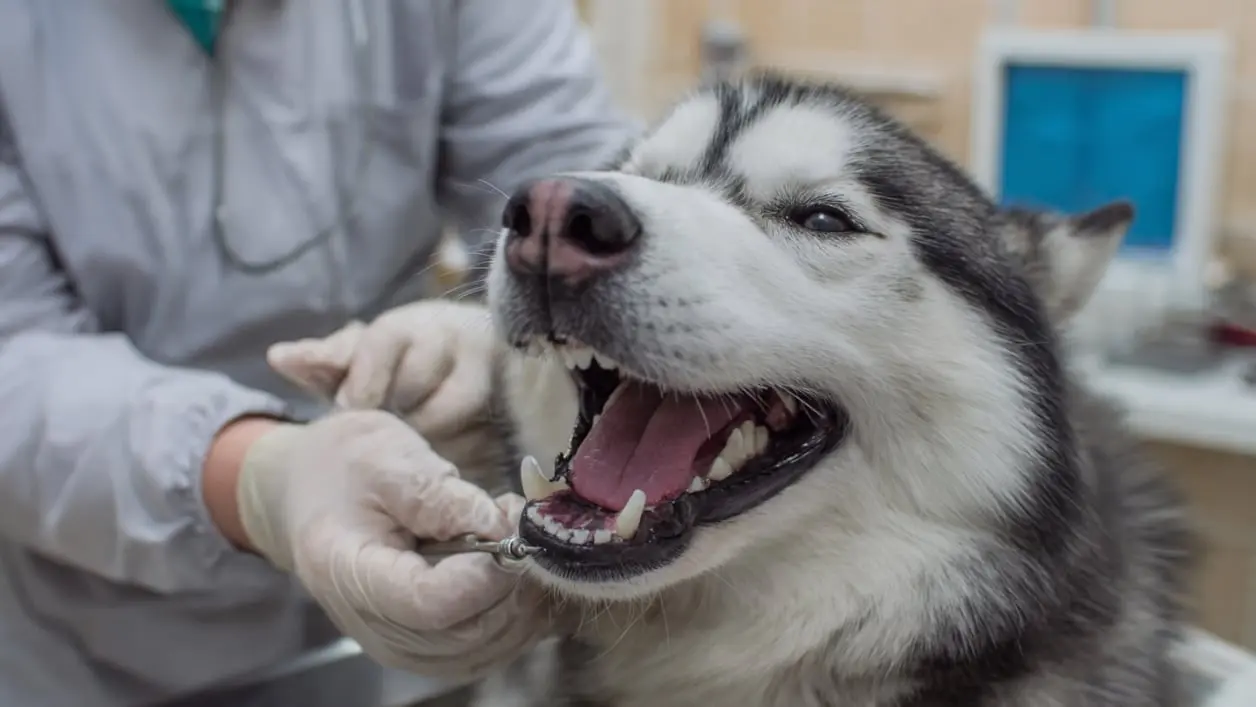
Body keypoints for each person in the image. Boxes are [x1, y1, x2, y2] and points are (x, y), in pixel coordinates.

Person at [0, 1, 634, 704]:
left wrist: (493, 343)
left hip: (425, 586)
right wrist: (267, 481)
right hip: (95, 635)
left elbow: (579, 191)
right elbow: (14, 356)